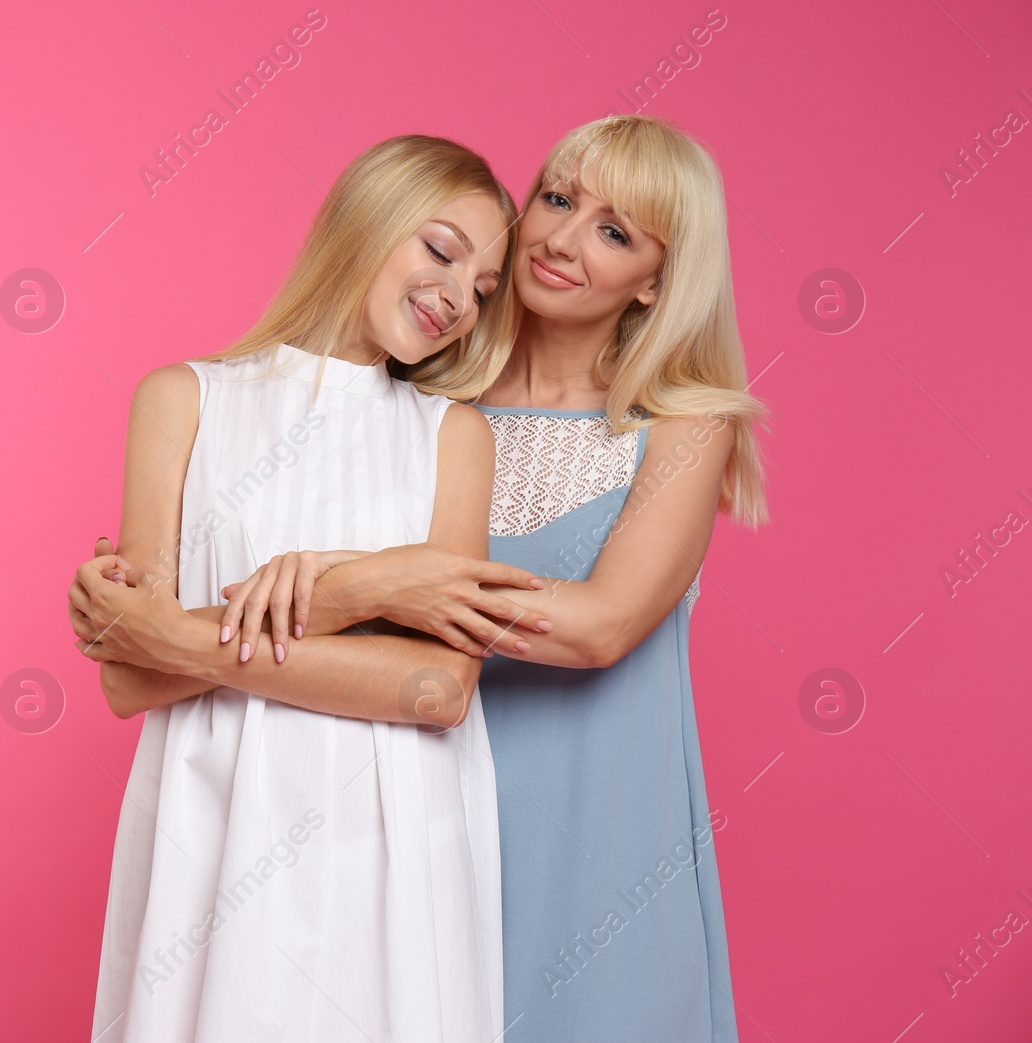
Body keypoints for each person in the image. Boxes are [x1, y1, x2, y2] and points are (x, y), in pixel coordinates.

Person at [75, 115, 765, 1042]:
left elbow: (600, 627)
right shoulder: (431, 408)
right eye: (557, 199)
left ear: (658, 282)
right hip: (404, 802)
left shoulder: (683, 425)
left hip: (591, 830)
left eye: (615, 231)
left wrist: (353, 583)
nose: (561, 238)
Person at [72, 135, 551, 1042]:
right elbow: (129, 679)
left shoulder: (453, 437)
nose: (458, 297)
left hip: (393, 835)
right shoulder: (183, 399)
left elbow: (438, 690)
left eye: (485, 288)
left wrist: (183, 639)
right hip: (211, 825)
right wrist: (350, 597)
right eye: (441, 250)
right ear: (364, 219)